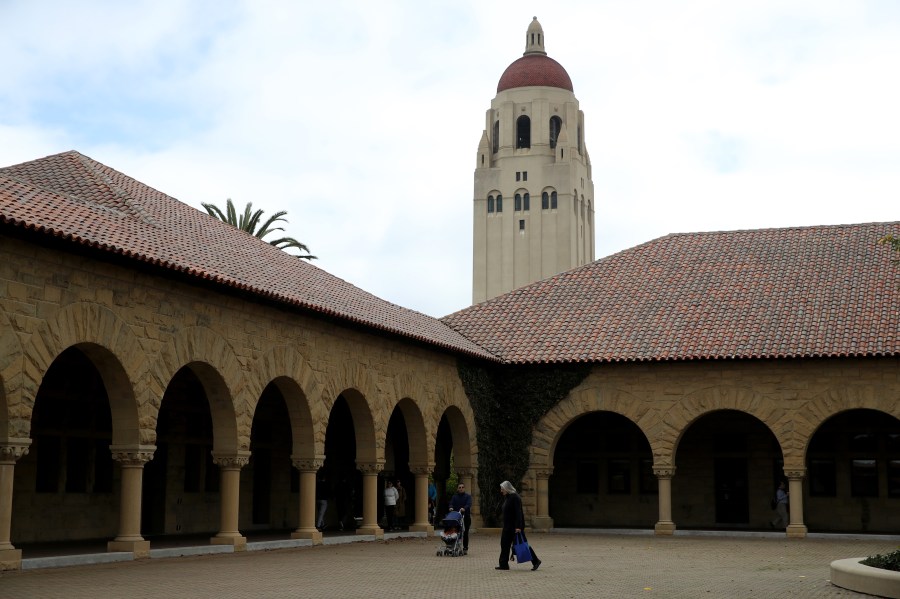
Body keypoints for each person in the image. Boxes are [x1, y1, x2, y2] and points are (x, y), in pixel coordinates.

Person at [496, 480, 541, 571]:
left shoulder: (515, 497)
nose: (501, 491)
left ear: (507, 488)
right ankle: (503, 564)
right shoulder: (508, 497)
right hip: (507, 526)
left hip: (514, 527)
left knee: (522, 544)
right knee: (504, 544)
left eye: (502, 489)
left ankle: (536, 561)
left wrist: (518, 527)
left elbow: (518, 513)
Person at [448, 481, 472, 554]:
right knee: (454, 531)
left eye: (462, 487)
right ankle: (453, 546)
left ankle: (465, 548)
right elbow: (451, 503)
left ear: (464, 488)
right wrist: (451, 507)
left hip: (465, 517)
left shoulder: (468, 496)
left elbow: (469, 504)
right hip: (456, 517)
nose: (461, 489)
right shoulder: (454, 497)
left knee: (465, 532)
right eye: (459, 487)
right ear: (457, 489)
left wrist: (464, 508)